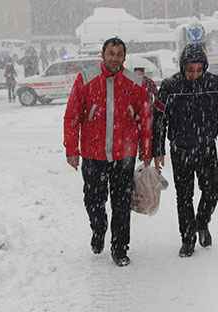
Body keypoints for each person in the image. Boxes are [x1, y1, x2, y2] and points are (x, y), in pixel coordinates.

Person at [63, 37, 152, 266]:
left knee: (121, 203)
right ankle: (99, 227)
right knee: (93, 200)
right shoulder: (86, 79)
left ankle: (120, 248)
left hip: (125, 154)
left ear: (124, 57)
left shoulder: (135, 83)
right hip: (94, 154)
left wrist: (147, 150)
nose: (115, 58)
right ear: (103, 54)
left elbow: (145, 118)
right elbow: (72, 117)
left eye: (119, 54)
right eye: (111, 53)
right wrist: (72, 150)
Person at [152, 43, 218, 258]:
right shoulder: (170, 86)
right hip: (180, 151)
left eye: (199, 70)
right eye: (190, 70)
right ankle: (187, 239)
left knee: (211, 192)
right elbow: (158, 119)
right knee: (184, 197)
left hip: (207, 149)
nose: (194, 75)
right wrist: (158, 149)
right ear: (182, 67)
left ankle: (202, 223)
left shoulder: (214, 84)